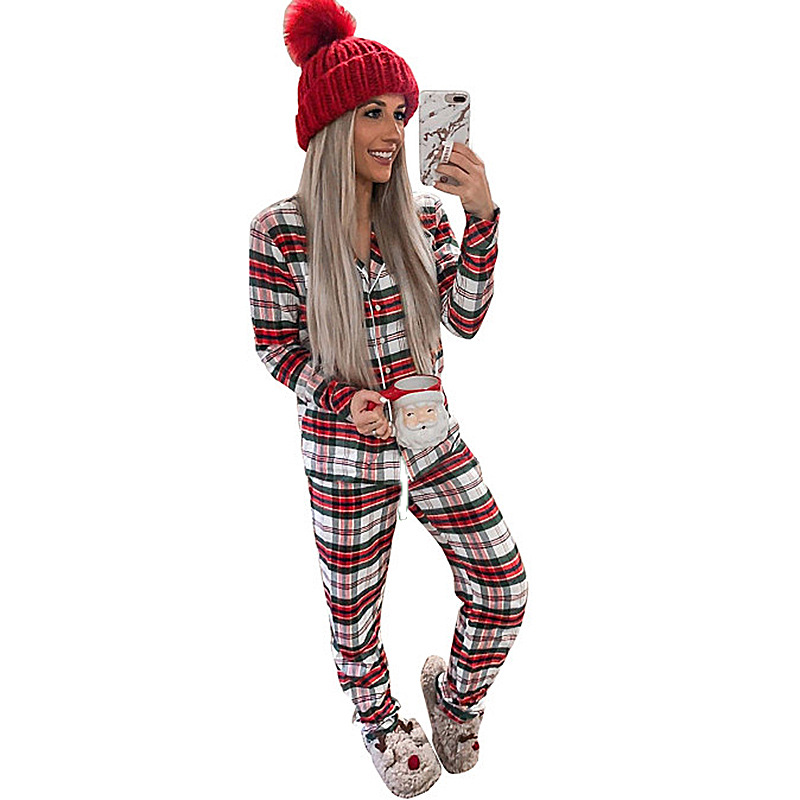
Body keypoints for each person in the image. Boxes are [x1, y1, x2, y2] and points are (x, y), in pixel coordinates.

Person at [249, 1, 528, 795]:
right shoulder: (280, 232)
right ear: (332, 123)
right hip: (345, 454)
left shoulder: (427, 219)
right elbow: (276, 346)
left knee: (503, 584)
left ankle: (455, 701)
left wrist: (481, 217)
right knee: (355, 615)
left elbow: (466, 319)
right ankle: (380, 722)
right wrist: (340, 398)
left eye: (401, 114)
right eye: (372, 113)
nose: (394, 132)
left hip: (432, 440)